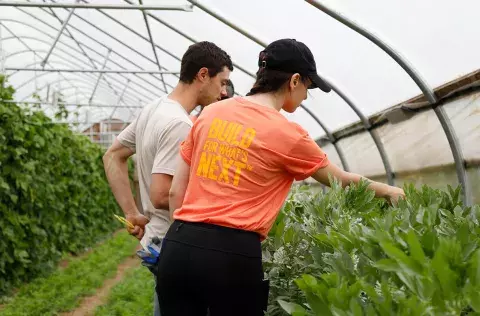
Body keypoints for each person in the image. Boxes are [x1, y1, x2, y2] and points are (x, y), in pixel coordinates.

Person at [158, 39, 405, 315]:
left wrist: (183, 241)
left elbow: (174, 192)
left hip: (178, 246)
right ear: (295, 80)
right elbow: (341, 180)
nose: (306, 97)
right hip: (231, 256)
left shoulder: (210, 113)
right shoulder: (289, 135)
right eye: (308, 88)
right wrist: (387, 191)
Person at [102, 41, 233, 316]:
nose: (223, 92)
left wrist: (132, 213)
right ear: (203, 75)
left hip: (154, 241)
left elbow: (113, 156)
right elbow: (163, 194)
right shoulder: (180, 125)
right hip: (172, 244)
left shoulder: (154, 109)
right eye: (222, 82)